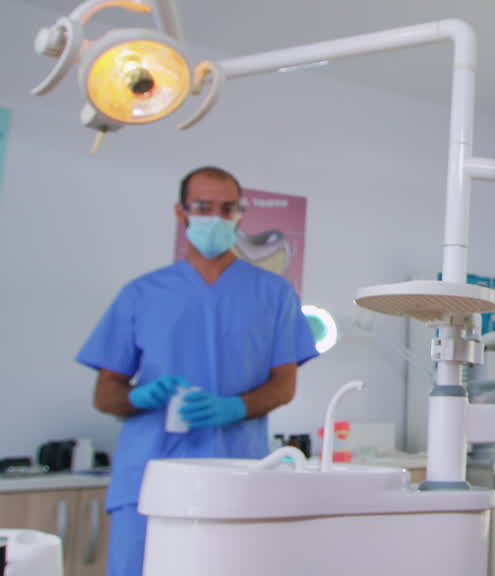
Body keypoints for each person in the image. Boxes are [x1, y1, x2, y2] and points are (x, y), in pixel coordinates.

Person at [77, 166, 319, 576]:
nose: (216, 218)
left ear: (240, 214)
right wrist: (139, 396)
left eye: (228, 209)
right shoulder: (141, 294)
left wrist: (234, 407)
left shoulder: (274, 294)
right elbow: (105, 394)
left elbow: (283, 385)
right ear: (181, 212)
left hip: (239, 471)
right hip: (149, 477)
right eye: (203, 207)